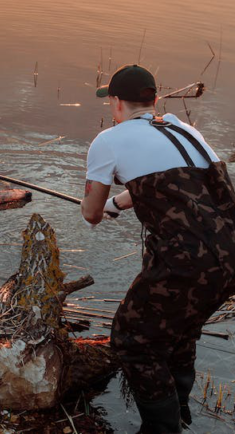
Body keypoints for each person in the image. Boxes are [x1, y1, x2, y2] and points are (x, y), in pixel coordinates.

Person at [80, 64, 235, 433]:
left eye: (111, 101)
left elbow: (90, 214)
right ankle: (181, 413)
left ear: (116, 102)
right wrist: (119, 202)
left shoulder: (108, 140)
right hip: (230, 254)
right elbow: (176, 185)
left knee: (132, 338)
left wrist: (100, 206)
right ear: (154, 99)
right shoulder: (183, 129)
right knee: (180, 332)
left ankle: (161, 429)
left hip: (187, 261)